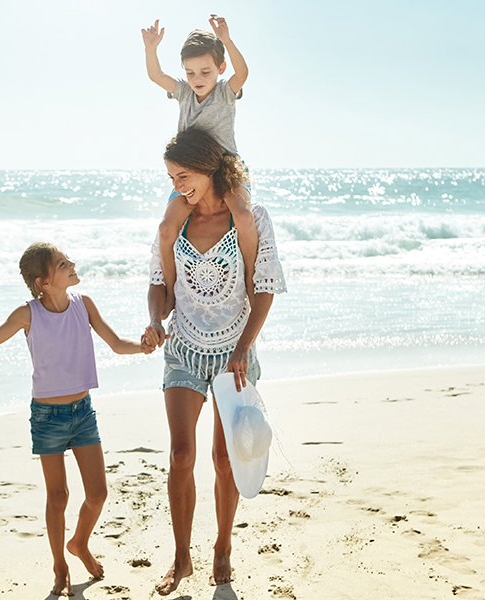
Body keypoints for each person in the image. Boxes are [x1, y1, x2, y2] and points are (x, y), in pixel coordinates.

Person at [0, 242, 154, 596]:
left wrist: (143, 346)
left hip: (82, 413)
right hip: (48, 418)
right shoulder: (28, 315)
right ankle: (60, 565)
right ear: (44, 282)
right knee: (58, 497)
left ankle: (80, 543)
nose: (72, 264)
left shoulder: (83, 305)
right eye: (62, 263)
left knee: (98, 494)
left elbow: (117, 344)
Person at [141, 127, 286, 595]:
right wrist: (155, 321)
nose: (177, 185)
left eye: (184, 175)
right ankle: (182, 556)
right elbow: (159, 285)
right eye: (170, 177)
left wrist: (244, 347)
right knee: (181, 456)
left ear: (209, 167)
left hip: (234, 354)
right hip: (183, 347)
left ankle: (222, 546)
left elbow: (262, 288)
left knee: (225, 458)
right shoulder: (173, 225)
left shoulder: (250, 217)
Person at [141, 15, 259, 315]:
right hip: (191, 173)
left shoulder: (224, 93)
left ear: (220, 69)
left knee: (243, 217)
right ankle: (169, 292)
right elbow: (156, 76)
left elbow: (242, 73)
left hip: (225, 169)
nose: (197, 78)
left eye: (205, 71)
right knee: (167, 228)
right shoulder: (183, 92)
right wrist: (151, 48)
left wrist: (228, 41)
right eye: (190, 72)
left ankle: (250, 282)